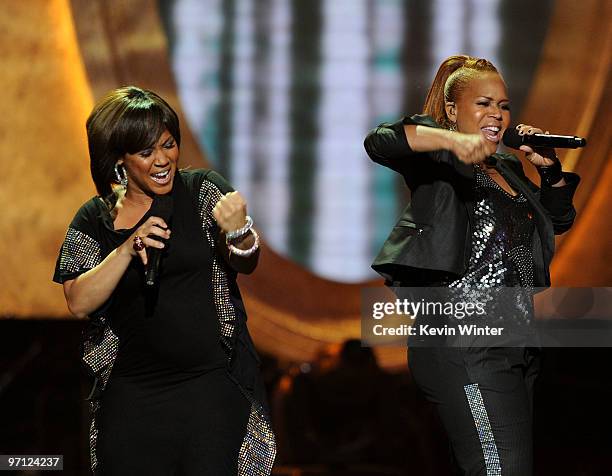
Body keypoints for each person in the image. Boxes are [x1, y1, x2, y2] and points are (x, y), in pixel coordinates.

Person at [364, 55, 580, 475]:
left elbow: (556, 221)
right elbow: (381, 141)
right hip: (466, 338)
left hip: (517, 339)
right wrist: (450, 142)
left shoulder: (508, 166)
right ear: (451, 111)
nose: (497, 115)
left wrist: (550, 170)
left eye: (503, 105)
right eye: (483, 104)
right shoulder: (439, 159)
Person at [53, 86, 276, 475]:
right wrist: (125, 249)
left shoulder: (201, 189)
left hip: (208, 388)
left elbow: (247, 261)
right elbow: (78, 302)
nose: (163, 160)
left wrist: (240, 232)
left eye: (168, 145)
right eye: (146, 152)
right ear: (120, 161)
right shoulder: (93, 219)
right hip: (132, 395)